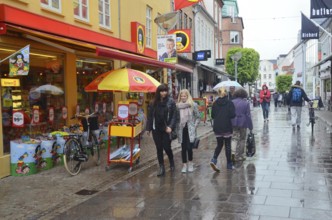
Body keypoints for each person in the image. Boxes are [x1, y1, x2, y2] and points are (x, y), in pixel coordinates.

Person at [146, 84, 177, 177]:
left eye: (165, 91)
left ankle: (171, 161)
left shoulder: (171, 102)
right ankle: (161, 167)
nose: (164, 93)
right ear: (158, 92)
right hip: (156, 129)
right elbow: (150, 116)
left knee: (167, 147)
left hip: (166, 129)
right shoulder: (153, 103)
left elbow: (174, 116)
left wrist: (170, 127)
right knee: (159, 148)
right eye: (162, 91)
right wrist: (148, 128)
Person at [210, 87, 236, 171]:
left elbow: (212, 116)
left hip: (217, 127)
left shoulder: (215, 103)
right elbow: (233, 115)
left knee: (219, 144)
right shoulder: (229, 103)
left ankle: (214, 159)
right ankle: (229, 164)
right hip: (227, 126)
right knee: (227, 145)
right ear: (226, 93)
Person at [176, 89, 200, 173]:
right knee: (183, 148)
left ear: (187, 96)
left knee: (189, 148)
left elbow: (198, 117)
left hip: (190, 129)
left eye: (184, 96)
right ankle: (184, 165)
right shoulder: (177, 106)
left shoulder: (193, 105)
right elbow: (176, 119)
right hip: (181, 130)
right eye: (181, 96)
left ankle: (190, 163)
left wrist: (194, 126)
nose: (183, 98)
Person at [231, 89, 253, 162]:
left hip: (233, 122)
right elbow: (248, 115)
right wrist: (250, 126)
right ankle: (240, 156)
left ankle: (233, 154)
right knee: (242, 139)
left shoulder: (232, 102)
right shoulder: (246, 103)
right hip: (243, 123)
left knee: (234, 138)